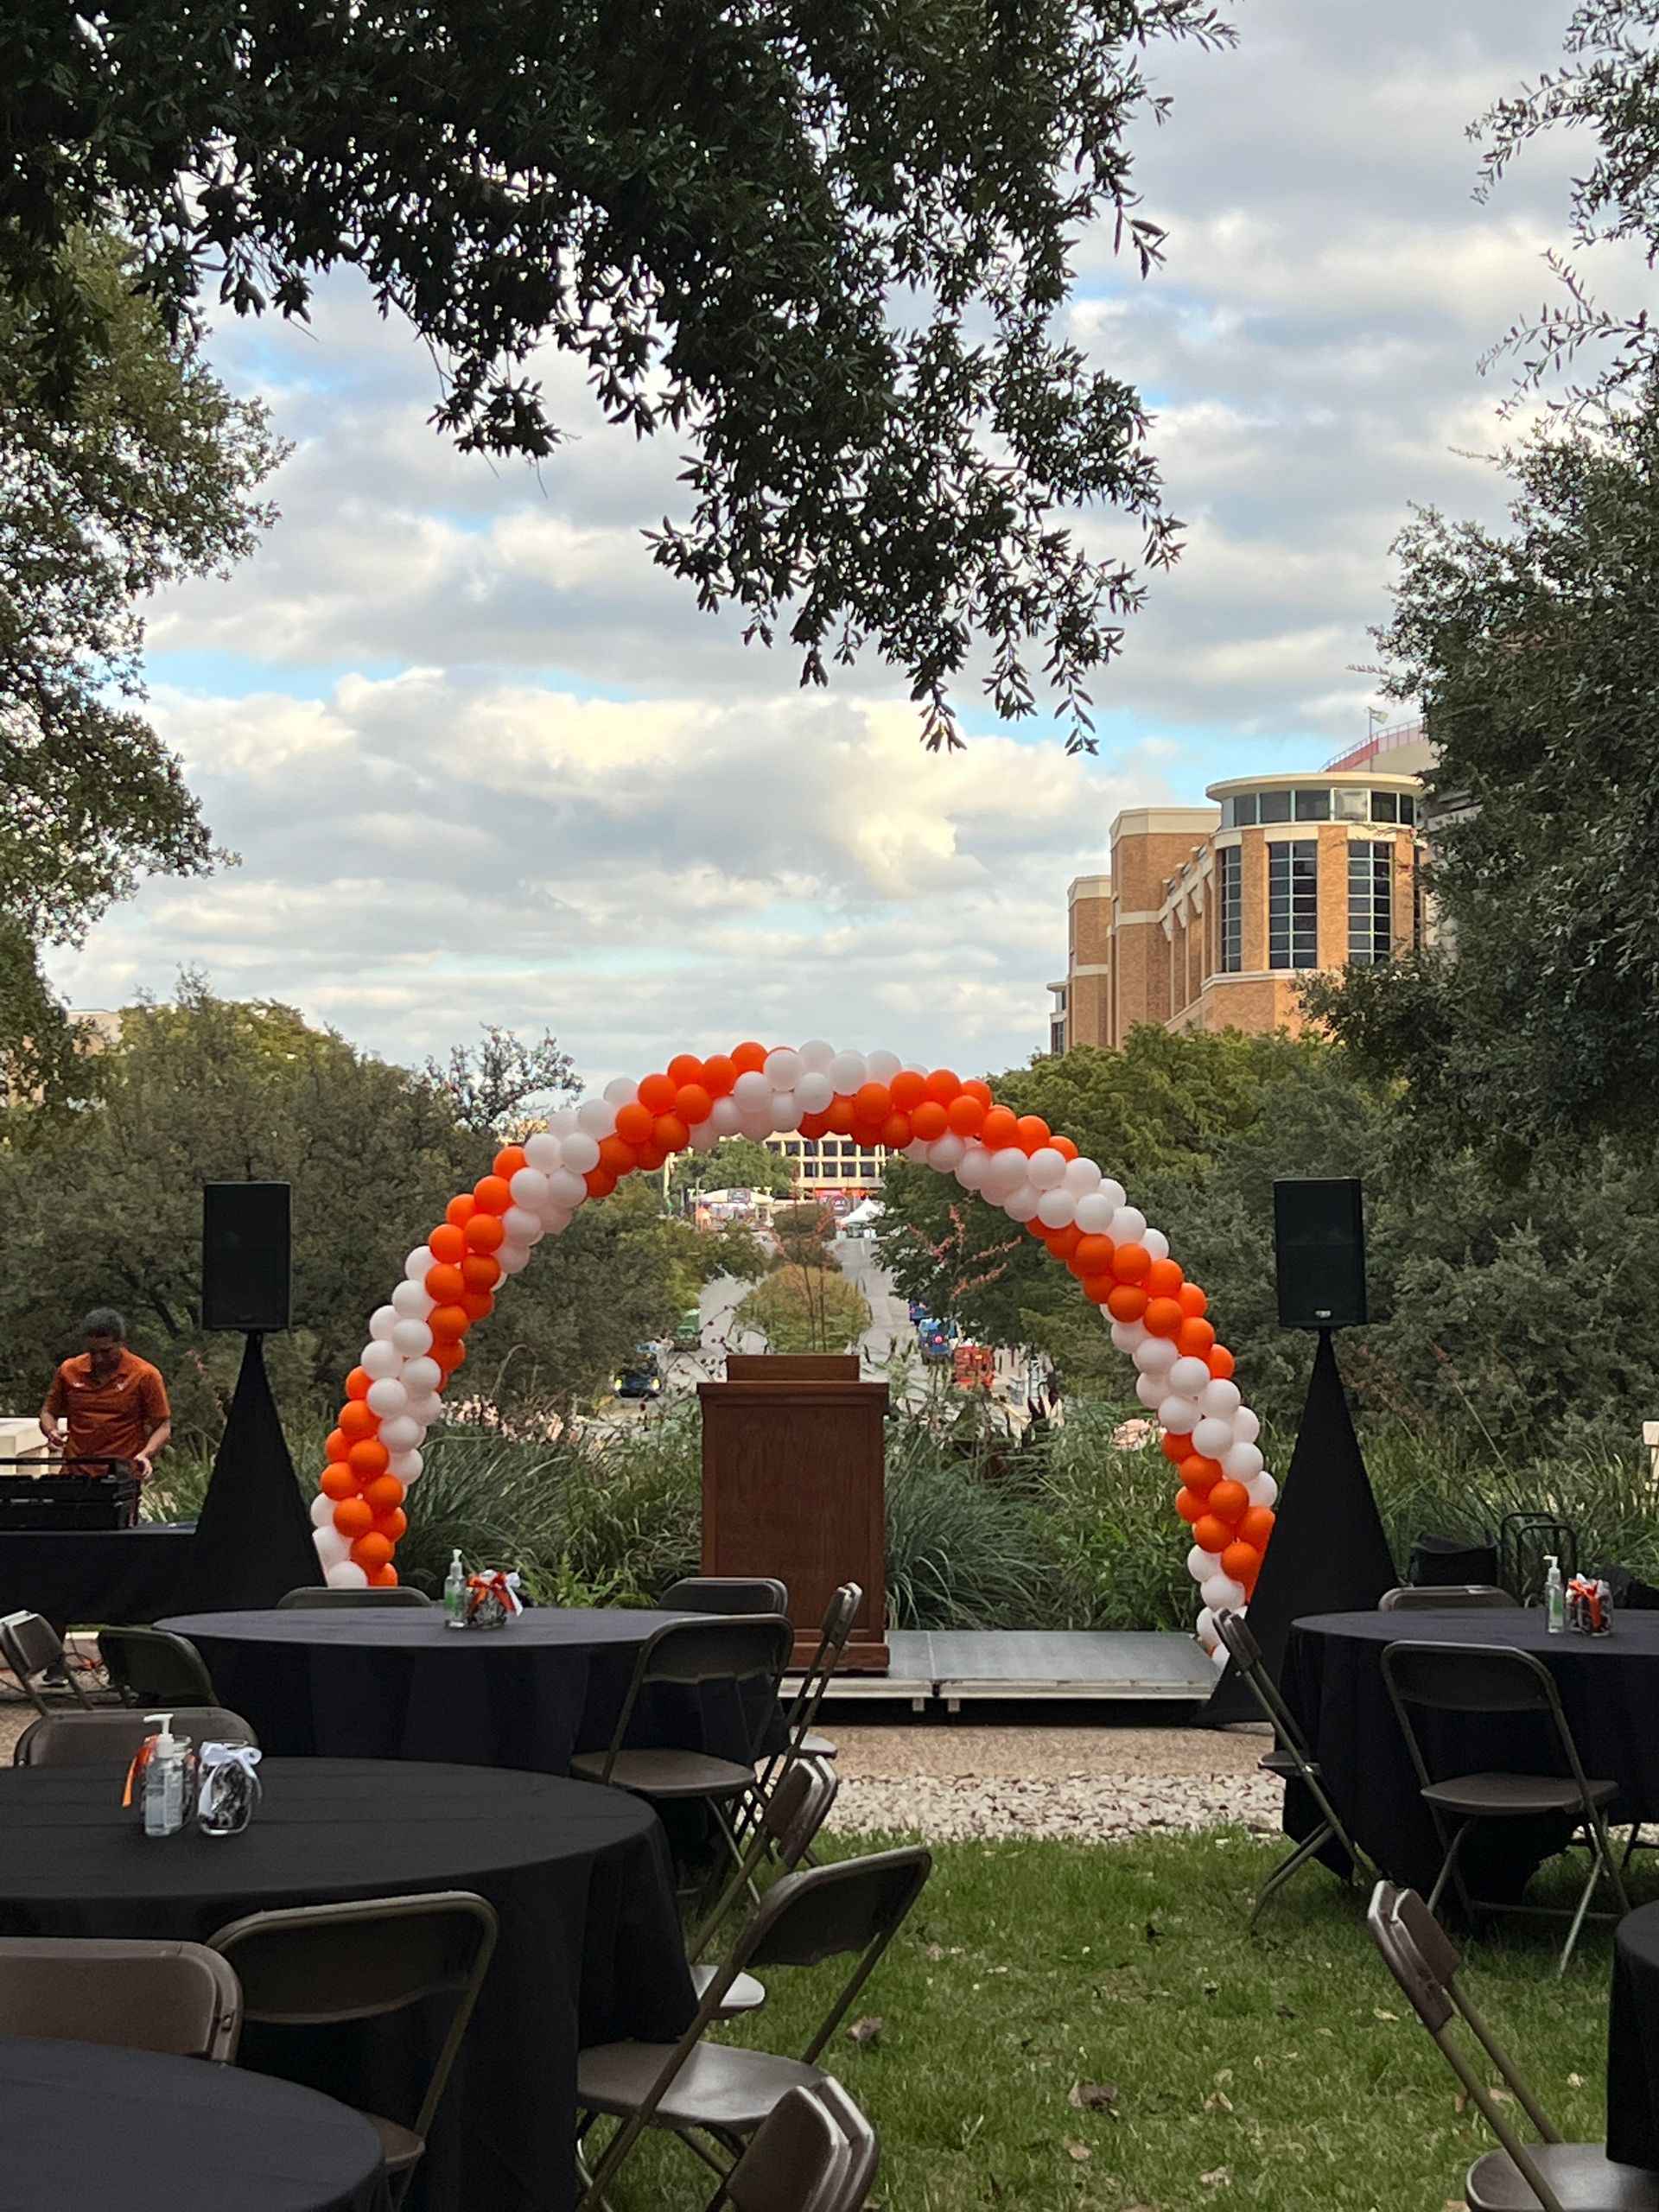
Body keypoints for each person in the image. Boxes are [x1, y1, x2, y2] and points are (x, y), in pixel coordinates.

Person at [40, 1308, 171, 1481]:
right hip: (75, 1472)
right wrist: (51, 1431)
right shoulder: (69, 1370)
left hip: (122, 1474)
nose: (99, 1359)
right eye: (93, 1352)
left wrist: (146, 1454)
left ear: (120, 1344)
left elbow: (163, 1426)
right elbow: (48, 1412)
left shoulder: (145, 1375)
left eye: (106, 1351)